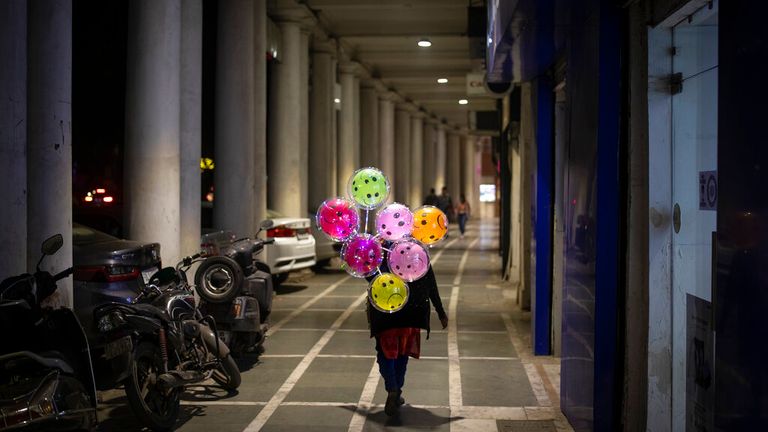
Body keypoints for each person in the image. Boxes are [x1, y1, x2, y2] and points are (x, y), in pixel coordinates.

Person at [367, 258, 448, 416]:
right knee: (402, 352)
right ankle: (397, 390)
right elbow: (430, 282)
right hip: (411, 311)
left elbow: (369, 277)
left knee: (385, 353)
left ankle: (393, 389)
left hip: (385, 310)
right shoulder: (417, 252)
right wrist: (441, 312)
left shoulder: (379, 251)